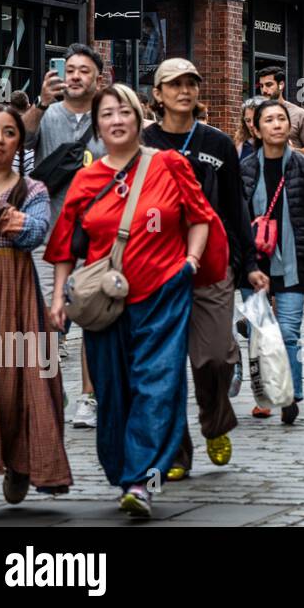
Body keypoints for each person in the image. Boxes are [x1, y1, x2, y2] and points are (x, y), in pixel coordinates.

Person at [46, 84, 227, 518]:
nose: (116, 120)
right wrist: (57, 298)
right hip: (102, 301)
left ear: (139, 117)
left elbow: (200, 218)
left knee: (158, 385)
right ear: (97, 125)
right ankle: (124, 469)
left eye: (124, 111)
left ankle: (142, 478)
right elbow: (66, 246)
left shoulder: (169, 164)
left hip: (163, 292)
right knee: (111, 390)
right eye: (106, 114)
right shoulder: (86, 179)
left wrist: (189, 262)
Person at [144, 59, 267, 480]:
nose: (184, 91)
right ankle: (176, 452)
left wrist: (247, 263)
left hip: (213, 265)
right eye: (174, 84)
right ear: (157, 94)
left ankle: (214, 424)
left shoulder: (217, 144)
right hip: (156, 267)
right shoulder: (144, 143)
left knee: (214, 356)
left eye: (191, 84)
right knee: (166, 364)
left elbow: (236, 206)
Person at [0, 105, 72, 521]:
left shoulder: (33, 190)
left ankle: (20, 462)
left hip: (15, 303)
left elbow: (34, 234)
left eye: (9, 132)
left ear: (19, 143)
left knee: (14, 388)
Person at [23, 43, 108, 431]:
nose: (74, 76)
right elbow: (21, 137)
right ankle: (54, 394)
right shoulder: (48, 113)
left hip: (96, 237)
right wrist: (40, 103)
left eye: (83, 71)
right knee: (47, 323)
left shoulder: (109, 117)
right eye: (69, 70)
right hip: (51, 235)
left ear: (99, 79)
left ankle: (90, 398)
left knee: (91, 320)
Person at [240, 100, 304, 425]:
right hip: (254, 264)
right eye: (269, 120)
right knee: (260, 333)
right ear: (257, 128)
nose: (277, 124)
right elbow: (237, 221)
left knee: (290, 332)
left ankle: (290, 392)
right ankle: (264, 394)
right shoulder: (246, 169)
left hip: (293, 259)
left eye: (281, 118)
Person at [255, 66, 304, 160]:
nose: (264, 90)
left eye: (268, 85)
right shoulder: (255, 113)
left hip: (291, 170)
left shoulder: (299, 114)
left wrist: (292, 151)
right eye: (261, 86)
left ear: (281, 85)